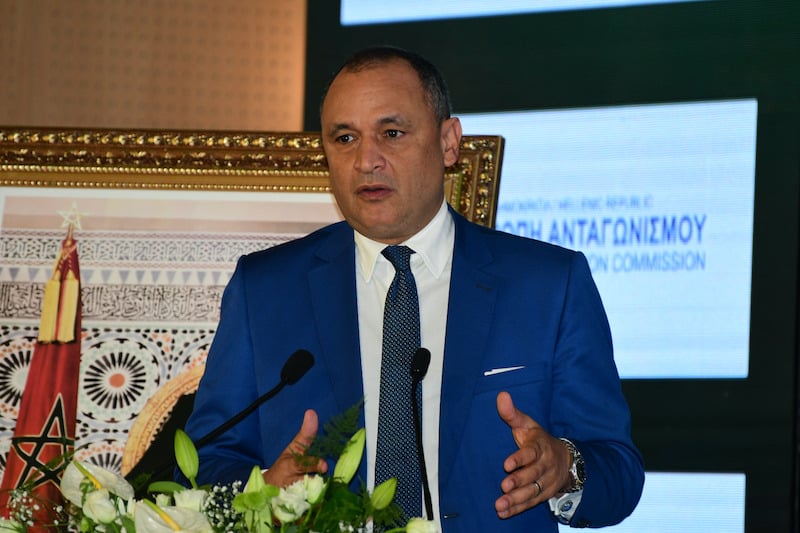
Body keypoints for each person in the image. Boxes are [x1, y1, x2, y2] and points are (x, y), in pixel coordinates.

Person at [184, 46, 644, 531]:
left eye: (392, 133)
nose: (366, 161)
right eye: (345, 138)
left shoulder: (549, 284)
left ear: (449, 143)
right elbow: (203, 465)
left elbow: (619, 473)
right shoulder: (264, 289)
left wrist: (565, 468)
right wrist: (258, 496)